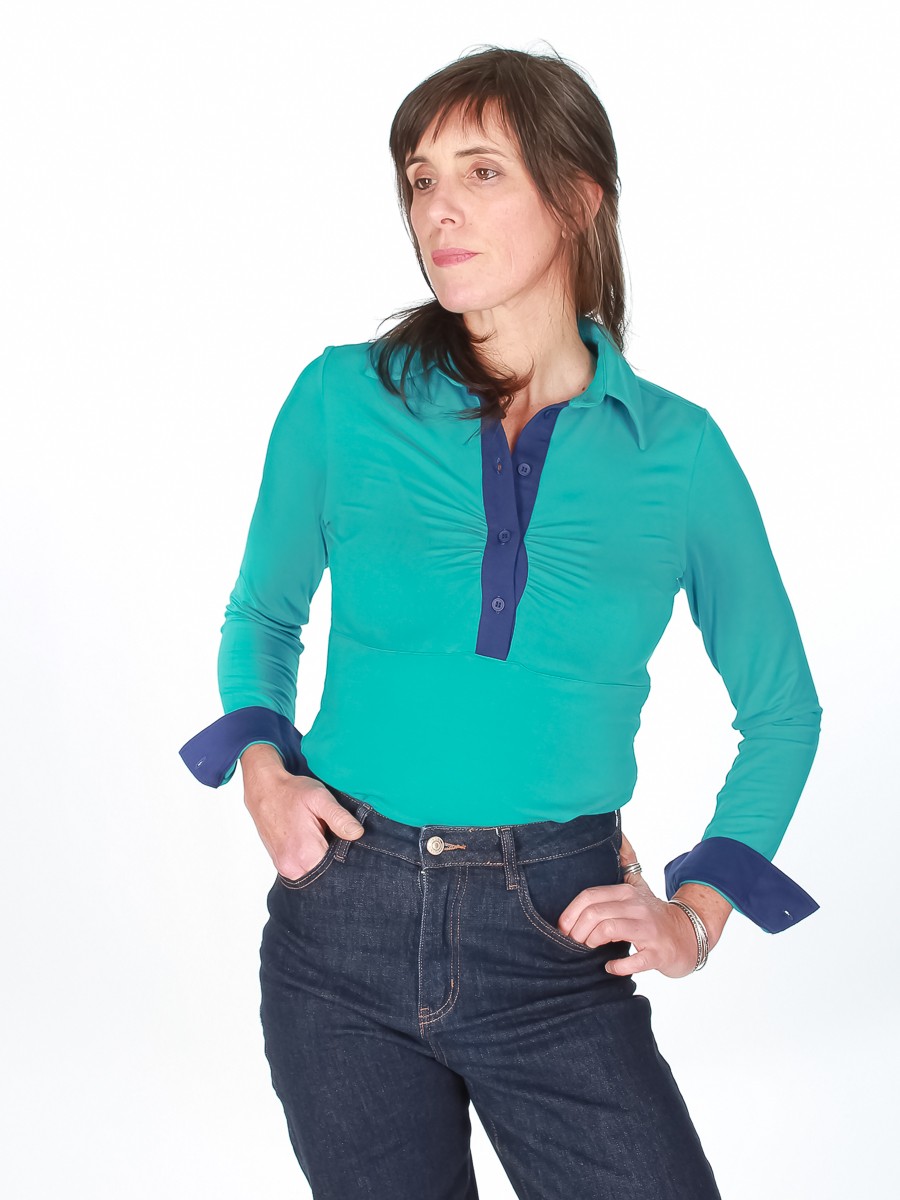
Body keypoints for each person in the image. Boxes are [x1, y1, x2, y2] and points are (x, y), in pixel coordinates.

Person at [179, 45, 822, 1200]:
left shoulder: (677, 452)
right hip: (341, 929)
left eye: (481, 173)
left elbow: (782, 710)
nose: (438, 209)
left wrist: (695, 916)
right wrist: (264, 777)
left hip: (556, 934)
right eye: (421, 180)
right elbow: (262, 614)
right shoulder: (340, 397)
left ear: (577, 199)